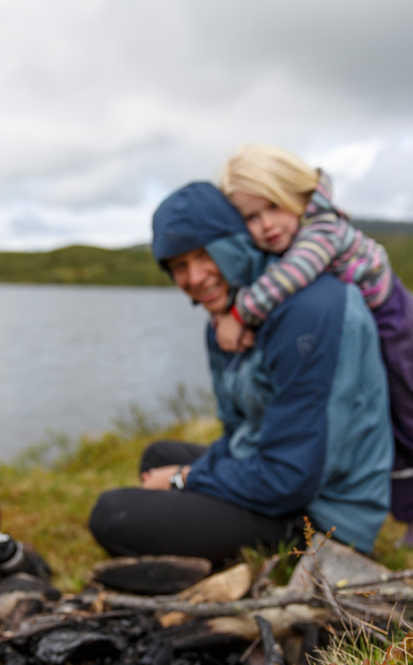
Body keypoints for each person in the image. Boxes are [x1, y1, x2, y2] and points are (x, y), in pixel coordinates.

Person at [218, 143, 413, 547]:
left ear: (297, 192)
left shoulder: (321, 231)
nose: (266, 224)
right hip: (370, 337)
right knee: (382, 430)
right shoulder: (297, 234)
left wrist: (239, 313)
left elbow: (291, 276)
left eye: (273, 205)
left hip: (398, 330)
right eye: (251, 217)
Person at [88, 181, 393, 565]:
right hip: (285, 478)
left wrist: (186, 478)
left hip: (323, 517)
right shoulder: (231, 317)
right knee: (157, 457)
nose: (195, 278)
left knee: (113, 515)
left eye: (205, 255)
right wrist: (190, 473)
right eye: (179, 266)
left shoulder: (307, 312)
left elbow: (291, 478)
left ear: (234, 243)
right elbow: (239, 433)